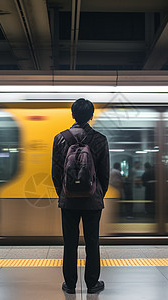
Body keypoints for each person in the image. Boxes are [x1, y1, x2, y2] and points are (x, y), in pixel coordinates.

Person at [52, 98, 109, 294]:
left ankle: (70, 284)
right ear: (91, 116)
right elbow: (104, 174)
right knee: (92, 241)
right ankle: (92, 284)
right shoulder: (100, 139)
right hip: (93, 201)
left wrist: (64, 194)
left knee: (70, 242)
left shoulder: (60, 138)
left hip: (68, 201)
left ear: (73, 115)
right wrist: (97, 193)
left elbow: (56, 172)